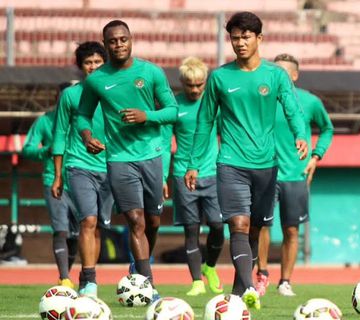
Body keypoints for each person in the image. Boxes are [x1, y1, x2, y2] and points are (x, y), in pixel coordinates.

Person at [185, 11, 307, 310]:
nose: (240, 43)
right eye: (235, 37)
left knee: (254, 229)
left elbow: (293, 110)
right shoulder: (219, 77)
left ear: (259, 38)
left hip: (266, 166)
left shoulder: (275, 75)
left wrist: (301, 135)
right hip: (231, 164)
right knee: (238, 225)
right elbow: (204, 122)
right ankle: (251, 286)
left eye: (246, 36)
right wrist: (193, 162)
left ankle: (239, 293)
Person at [76, 19, 178, 300]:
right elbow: (83, 114)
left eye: (123, 39)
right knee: (136, 221)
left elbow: (172, 110)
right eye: (112, 41)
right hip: (119, 158)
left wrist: (148, 116)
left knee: (153, 222)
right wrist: (87, 136)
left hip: (152, 155)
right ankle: (148, 284)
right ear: (106, 44)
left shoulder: (151, 72)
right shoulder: (96, 79)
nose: (118, 44)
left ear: (131, 40)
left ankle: (139, 262)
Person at [255, 53, 334, 297]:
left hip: (295, 176)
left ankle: (285, 281)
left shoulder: (309, 102)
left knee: (291, 231)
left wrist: (315, 157)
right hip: (265, 173)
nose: (278, 76)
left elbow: (327, 129)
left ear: (295, 76)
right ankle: (262, 276)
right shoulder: (263, 98)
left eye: (284, 72)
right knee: (261, 227)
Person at [51, 41, 114, 296]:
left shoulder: (114, 92)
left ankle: (88, 275)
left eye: (98, 62)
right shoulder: (70, 95)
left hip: (110, 167)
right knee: (87, 220)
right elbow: (59, 135)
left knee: (98, 225)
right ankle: (90, 281)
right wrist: (57, 175)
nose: (93, 66)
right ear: (81, 67)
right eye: (88, 62)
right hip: (78, 165)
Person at [165, 57, 225, 296]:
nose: (195, 89)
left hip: (212, 174)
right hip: (182, 175)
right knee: (192, 231)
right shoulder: (174, 107)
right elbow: (164, 141)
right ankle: (196, 281)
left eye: (200, 85)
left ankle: (210, 267)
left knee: (218, 226)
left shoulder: (215, 106)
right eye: (190, 85)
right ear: (182, 83)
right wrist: (162, 176)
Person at [23, 105, 78, 289]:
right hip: (53, 181)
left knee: (77, 234)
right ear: (59, 98)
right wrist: (46, 151)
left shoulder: (85, 117)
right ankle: (64, 277)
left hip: (81, 180)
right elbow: (28, 149)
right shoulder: (45, 120)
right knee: (60, 230)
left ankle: (67, 277)